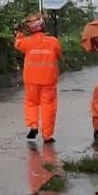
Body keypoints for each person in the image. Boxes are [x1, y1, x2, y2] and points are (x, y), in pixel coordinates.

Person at [15, 13, 62, 143]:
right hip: (48, 80)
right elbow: (58, 54)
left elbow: (17, 44)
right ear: (43, 27)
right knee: (49, 107)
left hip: (31, 80)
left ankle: (33, 125)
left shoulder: (26, 42)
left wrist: (19, 32)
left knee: (31, 103)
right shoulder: (53, 41)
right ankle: (47, 136)